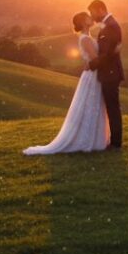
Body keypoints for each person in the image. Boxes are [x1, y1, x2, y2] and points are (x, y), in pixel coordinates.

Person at [22, 11, 110, 155]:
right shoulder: (86, 39)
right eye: (88, 17)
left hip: (93, 74)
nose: (91, 18)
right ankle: (89, 140)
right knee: (91, 105)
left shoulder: (87, 37)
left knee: (93, 106)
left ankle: (95, 139)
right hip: (93, 76)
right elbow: (95, 59)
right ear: (83, 22)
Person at [87, 0, 124, 149]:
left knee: (112, 108)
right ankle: (113, 140)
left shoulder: (111, 26)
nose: (92, 16)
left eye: (93, 12)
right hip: (109, 73)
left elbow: (107, 54)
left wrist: (90, 65)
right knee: (110, 107)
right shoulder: (109, 25)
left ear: (101, 9)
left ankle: (116, 143)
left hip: (111, 74)